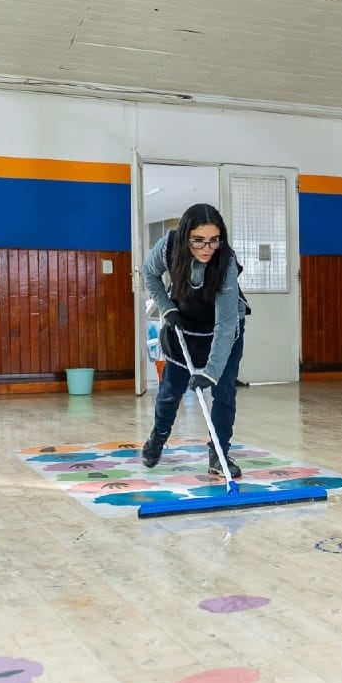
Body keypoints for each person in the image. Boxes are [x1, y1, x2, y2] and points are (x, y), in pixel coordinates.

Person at [140, 203, 249, 478]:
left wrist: (211, 374)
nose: (206, 248)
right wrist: (166, 307)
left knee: (223, 393)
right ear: (187, 235)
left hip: (223, 329)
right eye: (199, 240)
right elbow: (149, 274)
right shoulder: (169, 246)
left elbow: (225, 325)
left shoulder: (225, 263)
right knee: (170, 392)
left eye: (214, 240)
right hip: (183, 326)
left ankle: (219, 455)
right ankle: (158, 436)